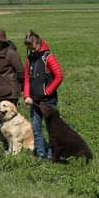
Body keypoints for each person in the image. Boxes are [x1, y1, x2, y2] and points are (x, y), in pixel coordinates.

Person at [23, 30, 64, 159]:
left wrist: (47, 92)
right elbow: (27, 79)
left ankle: (53, 155)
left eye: (32, 46)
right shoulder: (30, 59)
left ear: (38, 43)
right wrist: (27, 95)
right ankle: (41, 154)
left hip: (48, 101)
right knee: (36, 128)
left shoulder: (48, 57)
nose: (30, 49)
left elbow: (59, 76)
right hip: (34, 101)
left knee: (52, 129)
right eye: (28, 47)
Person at [0, 29, 24, 149]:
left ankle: (15, 144)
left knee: (11, 120)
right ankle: (5, 142)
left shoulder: (11, 53)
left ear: (3, 42)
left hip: (8, 92)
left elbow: (20, 71)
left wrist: (20, 88)